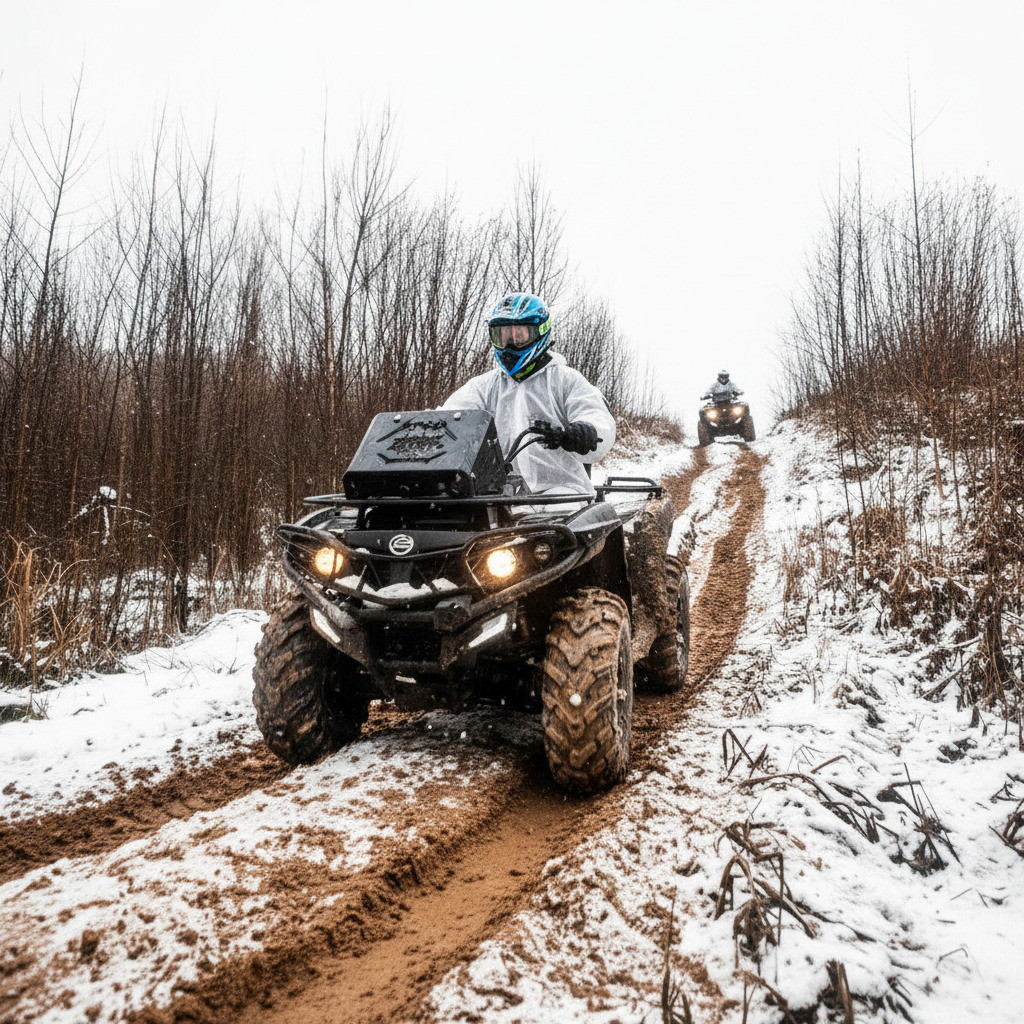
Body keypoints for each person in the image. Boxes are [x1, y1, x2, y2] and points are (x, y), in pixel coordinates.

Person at [442, 292, 616, 496]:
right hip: (499, 494)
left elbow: (595, 414)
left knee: (552, 514)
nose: (510, 344)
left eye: (519, 335)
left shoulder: (565, 380)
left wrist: (585, 431)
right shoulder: (484, 386)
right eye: (503, 336)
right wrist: (428, 435)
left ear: (539, 332)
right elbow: (451, 417)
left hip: (561, 491)